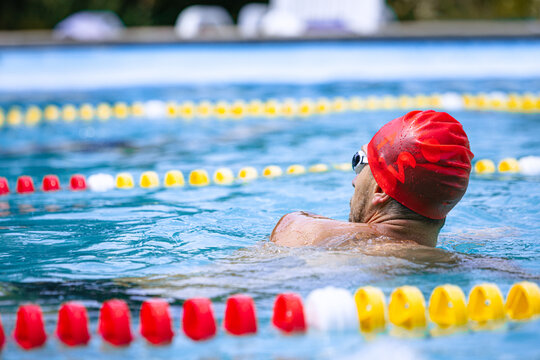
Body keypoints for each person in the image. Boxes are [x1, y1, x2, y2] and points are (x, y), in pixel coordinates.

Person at [270, 110, 474, 248]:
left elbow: (292, 225)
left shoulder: (308, 233)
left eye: (360, 163)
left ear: (381, 190)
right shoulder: (459, 262)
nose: (354, 180)